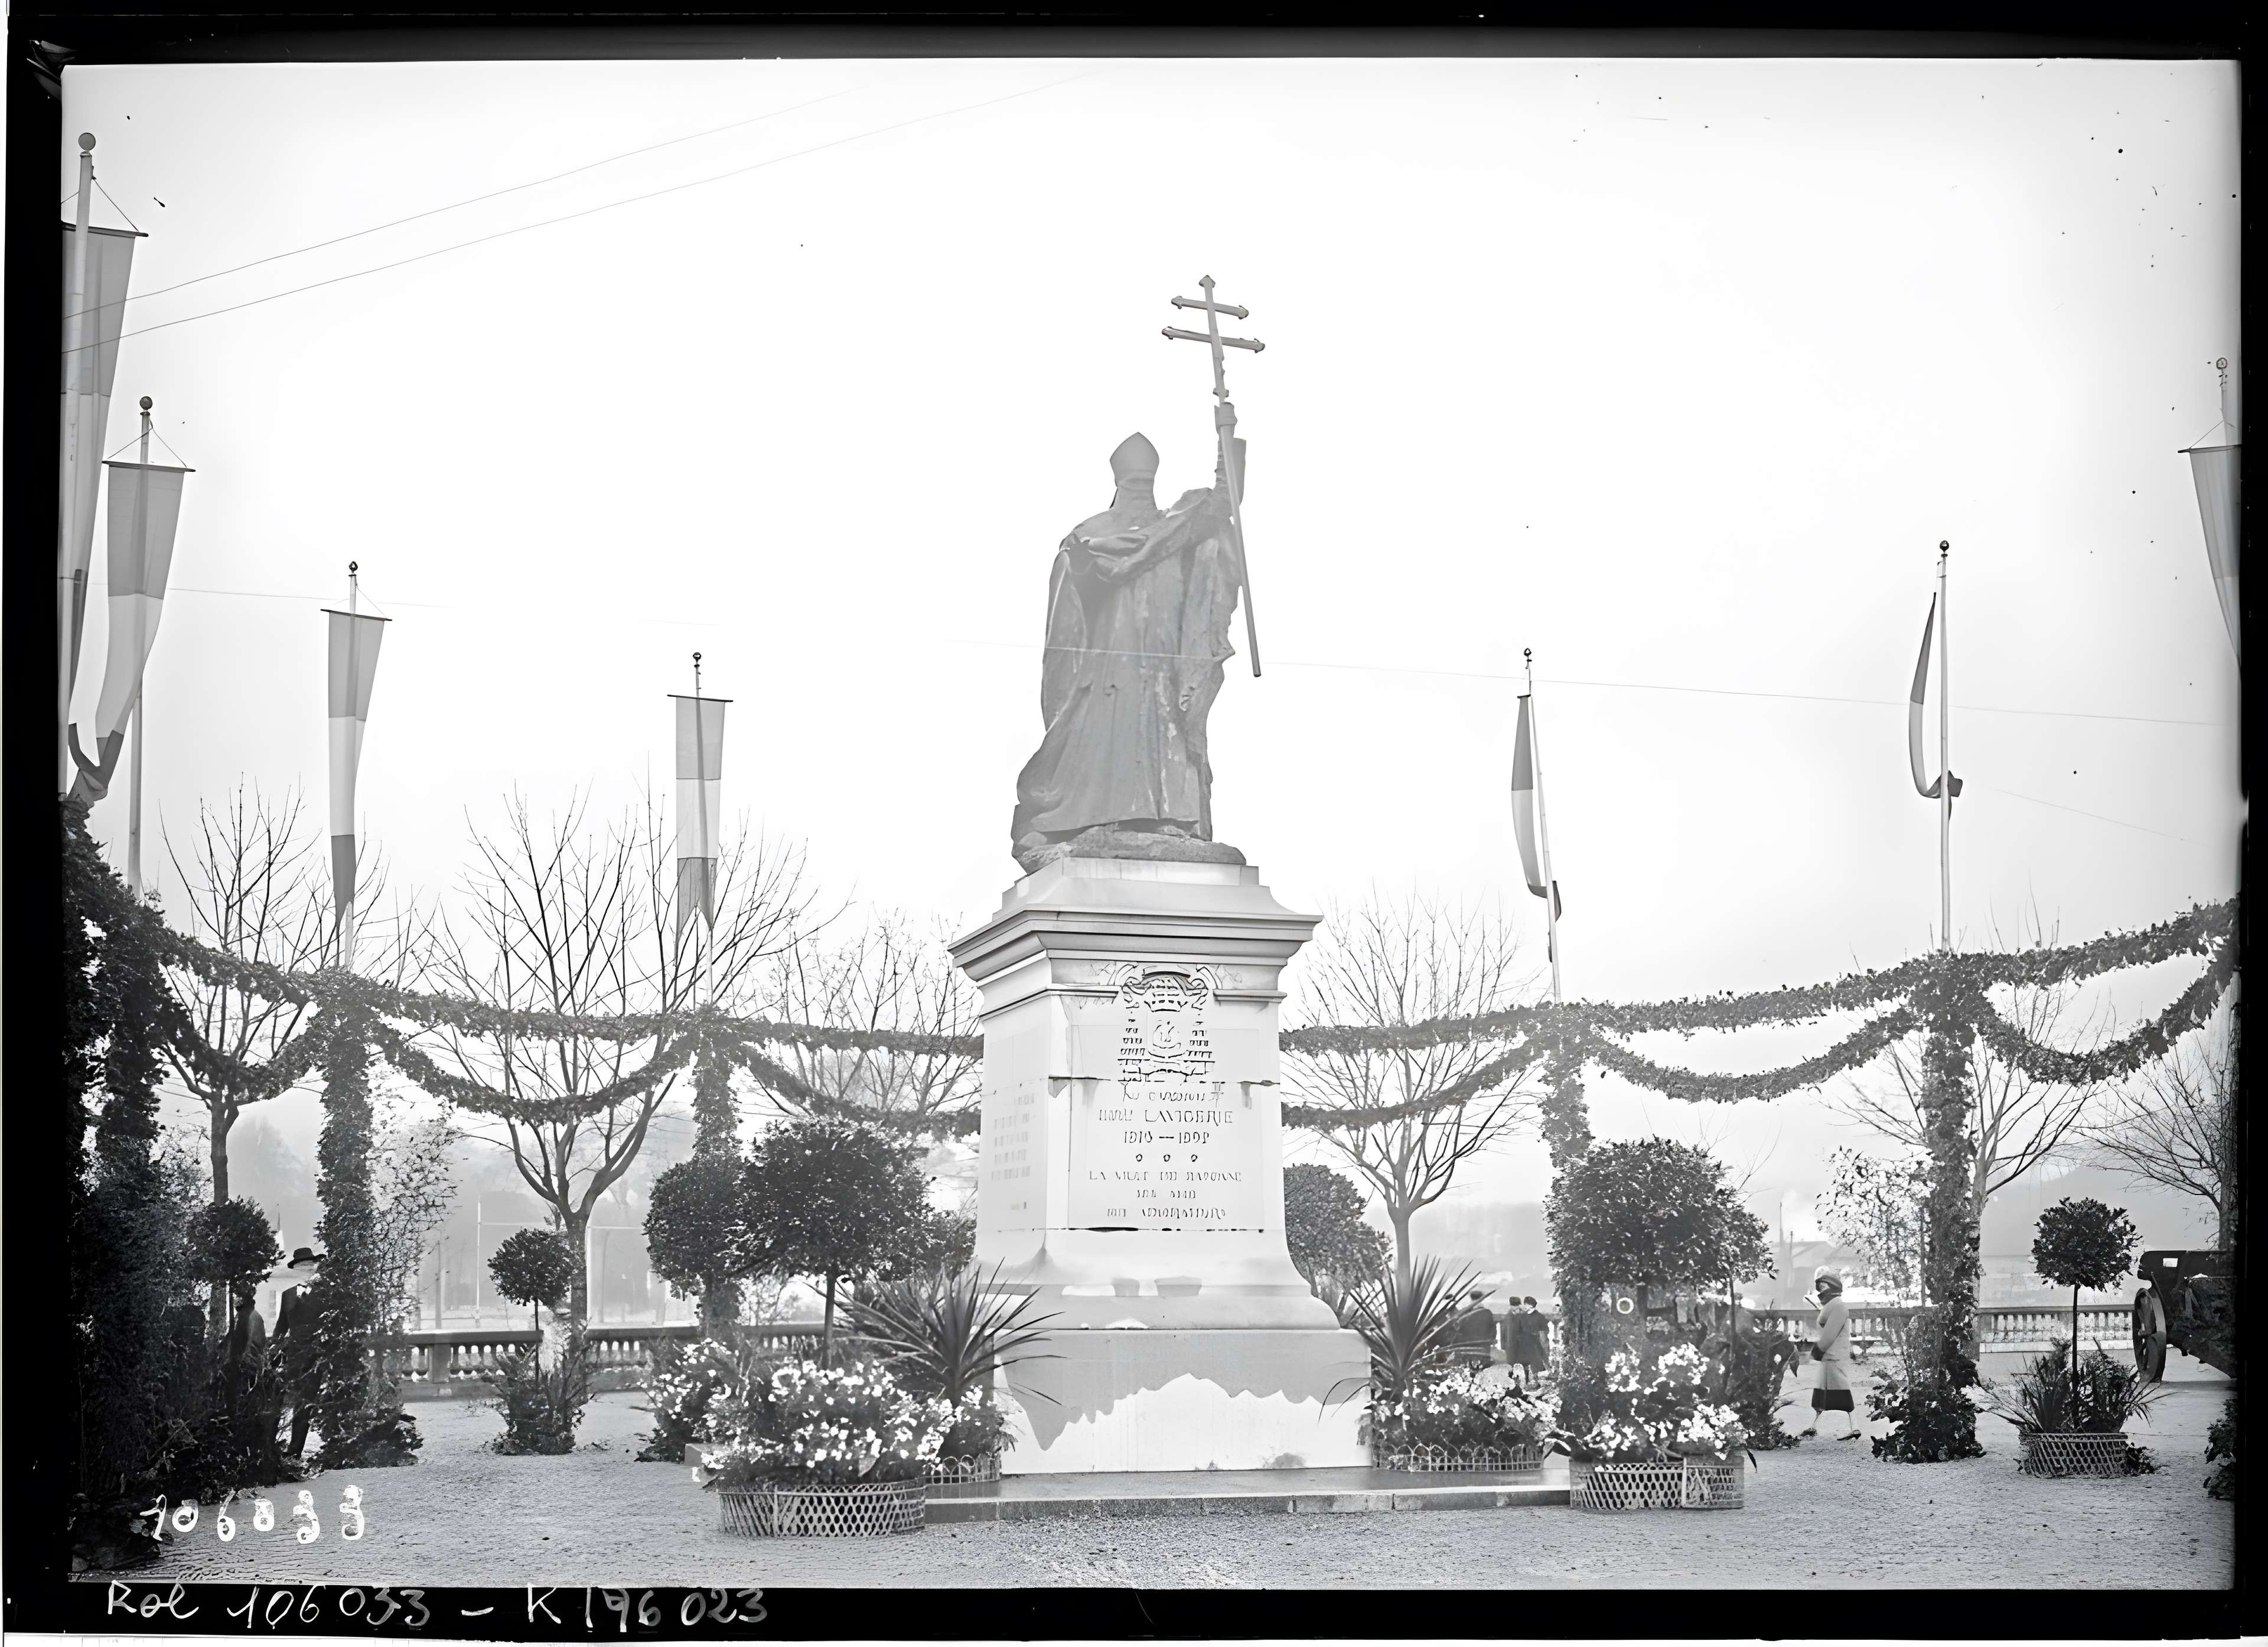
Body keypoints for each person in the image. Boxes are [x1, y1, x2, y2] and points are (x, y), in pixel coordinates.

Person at [1011, 432, 1249, 872]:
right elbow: (1069, 605)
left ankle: (1170, 818)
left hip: (1164, 661)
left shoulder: (1173, 526)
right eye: (1134, 484)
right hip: (1109, 662)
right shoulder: (1089, 537)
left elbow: (1219, 507)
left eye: (1146, 484)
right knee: (1111, 728)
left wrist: (1227, 450)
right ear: (1119, 483)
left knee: (1167, 725)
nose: (1141, 492)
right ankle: (1097, 818)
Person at [1795, 1270, 1860, 1440]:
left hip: (1834, 1355)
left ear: (1832, 1288)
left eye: (1823, 1287)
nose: (1820, 1291)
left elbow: (1830, 1334)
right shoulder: (1833, 1306)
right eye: (1820, 1287)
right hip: (1830, 1356)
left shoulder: (1838, 1307)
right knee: (1822, 1395)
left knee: (1842, 1393)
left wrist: (1817, 1351)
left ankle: (1855, 1427)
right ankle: (1813, 1425)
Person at [276, 1246, 324, 1458]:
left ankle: (295, 1450)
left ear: (314, 1267)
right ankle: (275, 1445)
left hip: (316, 1354)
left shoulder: (324, 1290)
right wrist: (275, 1345)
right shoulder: (288, 1291)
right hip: (294, 1353)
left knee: (305, 1403)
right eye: (301, 1267)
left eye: (309, 1266)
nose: (305, 1270)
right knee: (282, 1397)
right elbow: (282, 1322)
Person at [1510, 1297, 1550, 1389]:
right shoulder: (1522, 1317)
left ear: (1531, 1306)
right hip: (1523, 1345)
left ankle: (1536, 1385)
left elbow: (1544, 1335)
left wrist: (1545, 1351)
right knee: (1523, 1366)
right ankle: (1524, 1385)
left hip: (1535, 1346)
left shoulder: (1540, 1317)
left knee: (1536, 1367)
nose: (1524, 1306)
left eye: (1526, 1304)